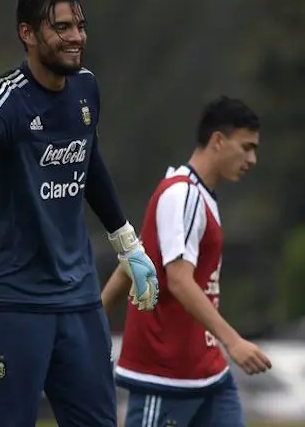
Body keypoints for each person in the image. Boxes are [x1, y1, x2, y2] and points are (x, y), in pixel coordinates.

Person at [0, 0, 158, 427]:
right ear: (27, 33)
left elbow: (90, 163)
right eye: (61, 27)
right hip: (10, 303)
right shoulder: (6, 98)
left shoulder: (86, 89)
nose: (76, 37)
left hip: (78, 301)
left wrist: (128, 244)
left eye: (79, 26)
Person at [101, 96, 272, 427]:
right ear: (218, 141)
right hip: (166, 375)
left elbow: (137, 256)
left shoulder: (199, 195)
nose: (252, 159)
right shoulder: (183, 194)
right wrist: (233, 341)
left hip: (207, 373)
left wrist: (96, 310)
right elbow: (179, 280)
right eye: (246, 147)